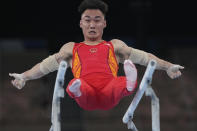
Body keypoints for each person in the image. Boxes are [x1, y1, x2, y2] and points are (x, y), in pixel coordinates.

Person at [9, 0, 184, 110]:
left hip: (109, 93)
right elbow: (45, 66)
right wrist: (24, 76)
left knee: (118, 83)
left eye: (97, 20)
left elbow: (146, 58)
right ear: (81, 23)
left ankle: (129, 84)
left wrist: (168, 66)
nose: (92, 24)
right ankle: (77, 88)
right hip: (86, 95)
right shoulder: (71, 49)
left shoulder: (115, 46)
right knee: (76, 85)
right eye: (88, 20)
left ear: (104, 23)